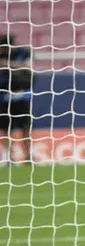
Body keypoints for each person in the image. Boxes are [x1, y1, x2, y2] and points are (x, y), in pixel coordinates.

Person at [0, 34, 33, 165]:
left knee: (26, 127)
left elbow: (28, 68)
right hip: (4, 98)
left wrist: (7, 65)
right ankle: (9, 157)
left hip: (22, 96)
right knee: (6, 129)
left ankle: (28, 156)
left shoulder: (24, 53)